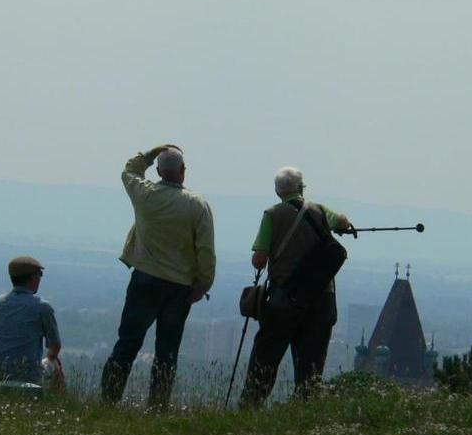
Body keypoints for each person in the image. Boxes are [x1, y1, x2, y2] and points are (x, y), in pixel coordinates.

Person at [101, 144, 216, 408]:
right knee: (167, 352)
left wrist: (152, 153)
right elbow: (206, 250)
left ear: (160, 171)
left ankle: (108, 400)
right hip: (179, 288)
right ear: (183, 172)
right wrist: (203, 283)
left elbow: (129, 171)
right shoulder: (197, 205)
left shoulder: (146, 195)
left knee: (127, 343)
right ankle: (158, 405)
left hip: (144, 280)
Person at [239, 167, 352, 407]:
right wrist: (341, 225)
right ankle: (304, 409)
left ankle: (251, 404)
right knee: (311, 363)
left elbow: (259, 259)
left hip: (283, 299)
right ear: (302, 188)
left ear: (277, 191)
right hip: (321, 300)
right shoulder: (319, 211)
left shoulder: (272, 214)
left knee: (266, 356)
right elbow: (342, 221)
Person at [0, 256, 62, 386]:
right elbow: (55, 346)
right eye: (39, 274)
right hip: (29, 377)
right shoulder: (43, 307)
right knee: (55, 363)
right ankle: (55, 403)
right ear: (32, 278)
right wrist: (50, 359)